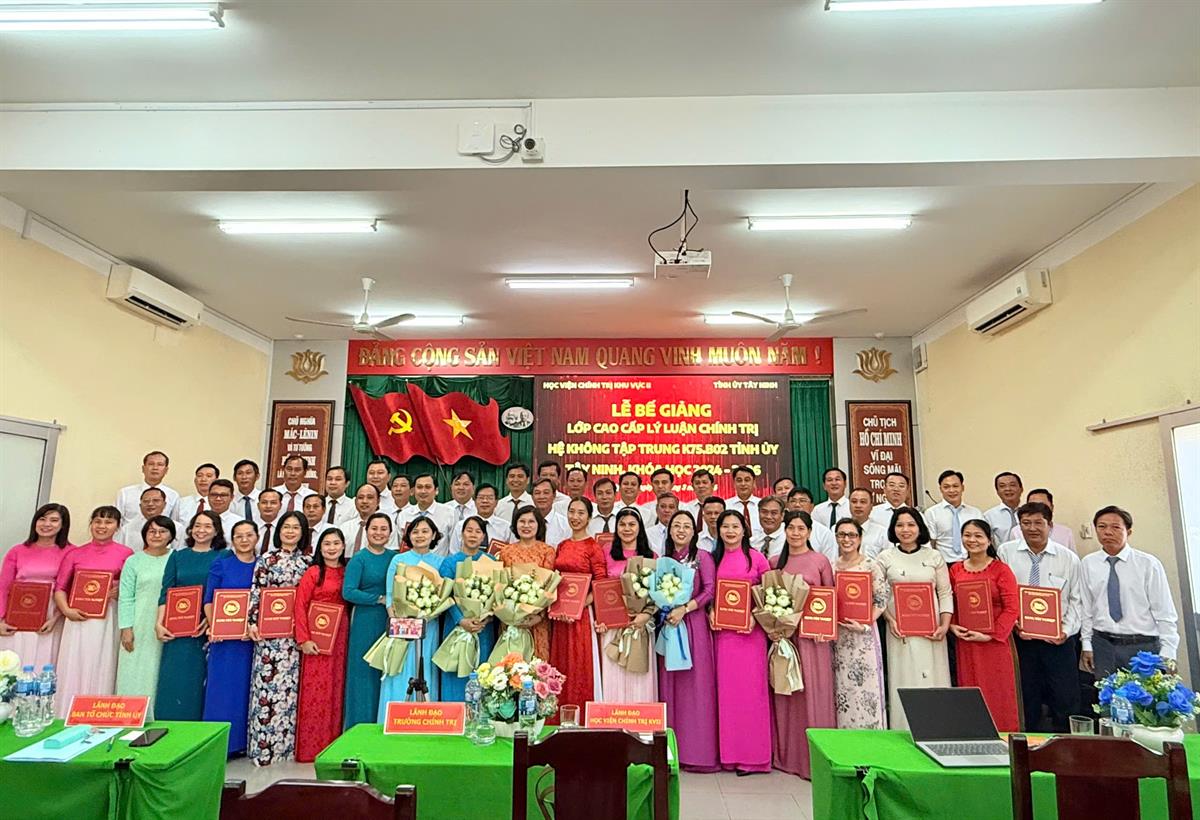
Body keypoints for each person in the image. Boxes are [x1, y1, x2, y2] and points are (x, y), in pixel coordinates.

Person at [998, 502, 1083, 733]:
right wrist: (1013, 624)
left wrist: (1065, 631)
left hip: (1058, 641)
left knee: (1065, 698)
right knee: (1027, 698)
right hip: (1022, 640)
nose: (1032, 528)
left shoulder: (1068, 559)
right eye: (1026, 523)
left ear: (1050, 525)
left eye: (1038, 522)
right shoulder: (1006, 553)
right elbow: (1002, 595)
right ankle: (1029, 747)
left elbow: (1077, 600)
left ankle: (1067, 746)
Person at [771, 511, 836, 778]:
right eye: (791, 528)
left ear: (809, 532)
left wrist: (825, 628)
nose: (795, 533)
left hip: (812, 638)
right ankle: (788, 756)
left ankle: (816, 758)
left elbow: (830, 597)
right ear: (785, 531)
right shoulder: (775, 562)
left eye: (801, 528)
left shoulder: (820, 561)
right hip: (785, 639)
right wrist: (774, 628)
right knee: (787, 695)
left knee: (814, 692)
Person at [1080, 505, 1179, 680]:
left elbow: (1164, 612)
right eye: (1102, 526)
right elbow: (1086, 609)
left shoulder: (1148, 564)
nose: (1107, 532)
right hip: (1103, 645)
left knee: (1145, 696)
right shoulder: (1088, 563)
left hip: (1143, 647)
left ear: (1129, 531)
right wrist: (1087, 644)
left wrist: (1168, 651)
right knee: (1107, 695)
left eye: (1115, 527)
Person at [875, 507, 952, 731]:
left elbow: (945, 592)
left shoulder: (934, 556)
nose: (905, 530)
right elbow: (879, 596)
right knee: (904, 677)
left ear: (920, 528)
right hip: (899, 630)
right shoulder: (885, 558)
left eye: (911, 524)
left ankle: (937, 729)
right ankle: (904, 729)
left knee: (932, 677)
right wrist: (890, 620)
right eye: (900, 525)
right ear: (893, 529)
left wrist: (944, 624)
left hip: (932, 630)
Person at [52, 506, 134, 716]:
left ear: (117, 527)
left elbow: (130, 587)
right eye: (97, 521)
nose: (102, 526)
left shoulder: (126, 554)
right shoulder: (74, 553)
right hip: (76, 618)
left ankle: (98, 713)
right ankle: (65, 713)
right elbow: (60, 588)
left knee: (102, 661)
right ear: (91, 524)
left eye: (108, 522)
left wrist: (119, 591)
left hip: (107, 618)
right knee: (73, 662)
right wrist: (66, 610)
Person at [656, 510, 718, 772]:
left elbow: (710, 589)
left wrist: (685, 608)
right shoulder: (663, 559)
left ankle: (698, 752)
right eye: (676, 526)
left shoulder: (702, 557)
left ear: (694, 532)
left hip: (694, 626)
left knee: (696, 687)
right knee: (670, 685)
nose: (681, 530)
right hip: (669, 625)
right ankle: (670, 750)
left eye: (686, 526)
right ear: (669, 530)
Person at [246, 511, 310, 765]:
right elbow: (256, 591)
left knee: (290, 693)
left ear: (303, 532)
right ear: (278, 530)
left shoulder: (307, 562)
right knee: (266, 689)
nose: (290, 531)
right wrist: (252, 622)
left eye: (296, 527)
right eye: (286, 527)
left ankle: (287, 749)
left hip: (295, 638)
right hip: (269, 636)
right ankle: (263, 749)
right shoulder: (266, 559)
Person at [711, 509, 772, 774]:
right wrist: (710, 612)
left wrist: (755, 618)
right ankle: (729, 754)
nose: (730, 531)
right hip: (724, 636)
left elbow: (769, 594)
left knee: (752, 694)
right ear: (718, 530)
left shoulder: (757, 558)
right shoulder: (713, 558)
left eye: (735, 526)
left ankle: (755, 757)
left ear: (745, 529)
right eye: (725, 526)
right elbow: (707, 591)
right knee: (728, 696)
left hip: (750, 635)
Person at [155, 510, 228, 720]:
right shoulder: (177, 556)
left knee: (200, 679)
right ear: (190, 529)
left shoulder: (223, 556)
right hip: (177, 629)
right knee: (174, 677)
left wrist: (211, 619)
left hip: (206, 629)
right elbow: (166, 592)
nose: (201, 530)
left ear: (216, 531)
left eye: (207, 526)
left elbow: (223, 592)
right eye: (197, 525)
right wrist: (159, 623)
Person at [949, 519, 1020, 732]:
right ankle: (973, 735)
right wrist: (952, 625)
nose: (972, 540)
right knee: (970, 689)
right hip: (966, 641)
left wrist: (991, 635)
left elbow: (1012, 608)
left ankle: (1004, 737)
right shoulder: (956, 569)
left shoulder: (1001, 570)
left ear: (989, 540)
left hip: (994, 643)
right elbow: (950, 603)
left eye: (978, 536)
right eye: (967, 535)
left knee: (998, 691)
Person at [379, 517, 447, 713]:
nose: (420, 536)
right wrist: (398, 621)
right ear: (408, 536)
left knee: (424, 668)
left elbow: (443, 596)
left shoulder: (440, 562)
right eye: (415, 532)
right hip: (402, 625)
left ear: (433, 535)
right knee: (399, 670)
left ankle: (424, 717)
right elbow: (390, 595)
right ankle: (395, 716)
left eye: (425, 531)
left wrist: (427, 615)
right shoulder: (398, 560)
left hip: (428, 625)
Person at [203, 520, 258, 756]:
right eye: (239, 536)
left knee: (245, 691)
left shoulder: (262, 566)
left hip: (250, 641)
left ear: (257, 538)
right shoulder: (222, 564)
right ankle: (218, 745)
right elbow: (209, 600)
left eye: (249, 535)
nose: (244, 540)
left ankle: (241, 744)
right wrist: (214, 625)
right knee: (221, 691)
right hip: (223, 641)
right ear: (231, 540)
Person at [295, 528, 350, 762]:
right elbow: (300, 605)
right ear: (320, 547)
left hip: (340, 636)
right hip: (316, 636)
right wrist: (303, 639)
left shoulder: (347, 572)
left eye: (336, 543)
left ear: (343, 546)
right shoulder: (313, 572)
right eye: (327, 544)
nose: (332, 548)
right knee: (315, 690)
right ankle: (311, 748)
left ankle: (332, 746)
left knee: (336, 689)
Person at [549, 499, 607, 711]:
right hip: (560, 616)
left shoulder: (593, 547)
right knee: (560, 661)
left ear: (589, 517)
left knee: (580, 663)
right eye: (571, 512)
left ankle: (581, 713)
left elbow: (600, 584)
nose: (575, 517)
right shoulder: (562, 545)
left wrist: (580, 605)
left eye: (581, 513)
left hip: (582, 616)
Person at [830, 518, 888, 729]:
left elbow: (881, 600)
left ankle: (870, 735)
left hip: (863, 637)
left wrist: (865, 624)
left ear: (860, 538)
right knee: (842, 687)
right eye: (842, 535)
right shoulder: (831, 566)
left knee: (866, 688)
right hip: (839, 637)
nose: (846, 539)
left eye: (852, 535)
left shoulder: (871, 565)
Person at [597, 508, 658, 704]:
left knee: (638, 679)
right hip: (612, 627)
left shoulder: (652, 557)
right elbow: (600, 587)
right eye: (622, 524)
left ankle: (639, 720)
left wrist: (646, 615)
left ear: (640, 528)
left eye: (632, 524)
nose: (627, 529)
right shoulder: (606, 553)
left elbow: (657, 594)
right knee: (612, 676)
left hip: (639, 626)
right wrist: (601, 619)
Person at [0, 504, 72, 669]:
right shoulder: (17, 551)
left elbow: (70, 588)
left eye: (54, 520)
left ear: (63, 525)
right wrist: (0, 620)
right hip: (17, 613)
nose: (46, 524)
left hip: (51, 615)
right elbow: (3, 587)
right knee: (14, 662)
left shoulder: (71, 552)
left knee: (45, 662)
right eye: (42, 519)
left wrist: (56, 618)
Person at [115, 516, 173, 718]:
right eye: (152, 531)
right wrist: (126, 628)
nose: (157, 535)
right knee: (135, 670)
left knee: (159, 671)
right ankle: (131, 717)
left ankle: (158, 717)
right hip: (139, 623)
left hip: (167, 624)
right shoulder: (133, 561)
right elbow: (126, 597)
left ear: (171, 536)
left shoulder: (176, 558)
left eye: (162, 531)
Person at [341, 513, 394, 729]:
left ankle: (383, 721)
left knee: (386, 670)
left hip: (390, 620)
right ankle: (359, 724)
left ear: (390, 533)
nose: (378, 533)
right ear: (367, 531)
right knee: (364, 672)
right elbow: (348, 592)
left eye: (383, 529)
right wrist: (378, 599)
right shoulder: (359, 559)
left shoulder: (394, 557)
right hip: (366, 620)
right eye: (374, 528)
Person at [440, 516, 498, 700]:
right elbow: (446, 596)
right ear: (462, 534)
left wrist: (487, 618)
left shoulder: (490, 561)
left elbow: (497, 595)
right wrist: (461, 620)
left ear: (484, 537)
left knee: (482, 672)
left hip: (483, 628)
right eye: (469, 530)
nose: (473, 535)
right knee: (456, 671)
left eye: (478, 531)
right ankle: (454, 712)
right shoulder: (450, 562)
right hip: (456, 627)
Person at [494, 506, 556, 660]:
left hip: (537, 620)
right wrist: (509, 616)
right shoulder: (506, 552)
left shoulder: (547, 551)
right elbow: (500, 584)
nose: (526, 526)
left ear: (539, 525)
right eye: (522, 521)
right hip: (511, 621)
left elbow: (549, 586)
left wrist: (539, 616)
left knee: (538, 663)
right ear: (515, 524)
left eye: (531, 522)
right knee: (510, 663)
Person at [924, 470, 984, 566]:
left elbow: (982, 539)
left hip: (972, 563)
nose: (951, 490)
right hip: (944, 564)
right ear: (940, 489)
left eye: (955, 486)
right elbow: (930, 542)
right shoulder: (931, 513)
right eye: (946, 487)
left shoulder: (975, 513)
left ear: (962, 488)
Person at [116, 450, 179, 521]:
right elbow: (116, 521)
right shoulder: (125, 493)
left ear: (166, 470)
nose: (155, 468)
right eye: (151, 464)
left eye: (160, 464)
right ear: (143, 468)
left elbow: (174, 523)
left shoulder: (173, 495)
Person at [396, 473, 454, 544]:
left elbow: (454, 544)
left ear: (436, 490)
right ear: (414, 490)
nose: (423, 491)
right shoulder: (404, 515)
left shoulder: (449, 513)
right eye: (419, 487)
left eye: (428, 487)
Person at [784, 488, 838, 562]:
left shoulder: (823, 532)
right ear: (787, 506)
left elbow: (829, 561)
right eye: (793, 501)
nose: (797, 505)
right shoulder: (780, 529)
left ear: (812, 506)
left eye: (802, 501)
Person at [346, 483, 398, 556]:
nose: (364, 501)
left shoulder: (387, 526)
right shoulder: (345, 527)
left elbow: (392, 554)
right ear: (355, 501)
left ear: (378, 501)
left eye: (370, 497)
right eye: (360, 497)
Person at [174, 463, 219, 530]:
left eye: (209, 476)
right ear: (195, 480)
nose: (203, 479)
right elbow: (175, 525)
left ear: (216, 481)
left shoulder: (220, 504)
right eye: (199, 476)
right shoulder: (181, 502)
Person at [530, 478, 571, 547]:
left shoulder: (565, 525)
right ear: (532, 497)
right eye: (537, 493)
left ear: (554, 495)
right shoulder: (525, 524)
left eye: (546, 493)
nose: (541, 497)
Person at [985, 471, 1024, 545]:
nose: (1008, 489)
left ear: (1021, 489)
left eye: (1012, 485)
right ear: (997, 492)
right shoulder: (989, 516)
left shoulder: (1030, 513)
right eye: (1002, 486)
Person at [847, 488, 888, 558]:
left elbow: (887, 559)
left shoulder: (882, 532)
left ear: (871, 506)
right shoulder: (837, 529)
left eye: (863, 502)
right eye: (854, 501)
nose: (858, 505)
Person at [444, 470, 477, 552]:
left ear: (473, 488)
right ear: (451, 487)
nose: (461, 488)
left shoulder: (479, 509)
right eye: (457, 484)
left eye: (466, 484)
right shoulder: (443, 509)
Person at [725, 466, 764, 535]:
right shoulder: (725, 505)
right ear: (734, 483)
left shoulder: (763, 504)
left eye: (747, 480)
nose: (743, 484)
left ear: (754, 483)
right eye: (739, 480)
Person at [231, 459, 263, 526]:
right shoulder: (230, 501)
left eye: (248, 473)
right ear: (234, 477)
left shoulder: (264, 498)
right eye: (240, 473)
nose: (244, 477)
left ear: (257, 476)